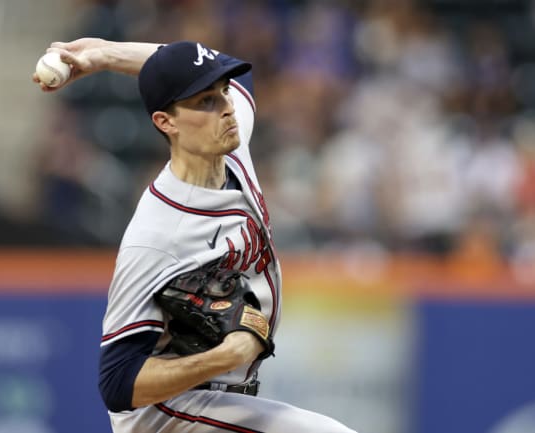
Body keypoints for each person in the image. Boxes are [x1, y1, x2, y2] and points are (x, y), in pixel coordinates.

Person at [33, 37, 357, 433]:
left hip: (219, 398)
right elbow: (117, 384)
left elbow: (227, 72)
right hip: (165, 416)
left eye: (222, 93)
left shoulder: (230, 148)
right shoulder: (155, 237)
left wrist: (107, 56)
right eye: (206, 101)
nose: (227, 108)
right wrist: (221, 357)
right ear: (166, 122)